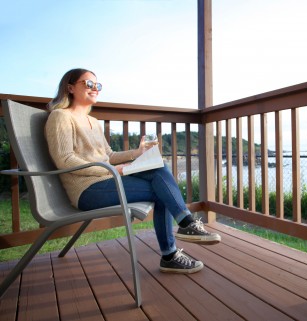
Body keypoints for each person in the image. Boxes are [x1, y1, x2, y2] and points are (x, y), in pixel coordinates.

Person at [45, 68, 220, 274]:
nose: (95, 88)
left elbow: (108, 155)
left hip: (106, 177)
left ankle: (184, 225)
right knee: (161, 190)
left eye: (97, 85)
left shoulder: (93, 122)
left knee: (158, 165)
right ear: (70, 87)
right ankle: (173, 249)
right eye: (88, 84)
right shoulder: (61, 117)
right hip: (86, 190)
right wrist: (112, 171)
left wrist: (137, 152)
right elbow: (64, 160)